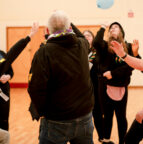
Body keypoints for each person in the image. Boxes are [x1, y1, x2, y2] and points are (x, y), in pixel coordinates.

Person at [28, 10, 94, 144]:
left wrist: (42, 112)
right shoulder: (82, 45)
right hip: (84, 117)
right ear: (70, 28)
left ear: (47, 30)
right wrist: (68, 24)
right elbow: (81, 36)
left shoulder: (43, 52)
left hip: (55, 120)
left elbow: (35, 88)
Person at [92, 22, 139, 144]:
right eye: (111, 28)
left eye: (116, 27)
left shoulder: (128, 46)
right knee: (107, 116)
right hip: (104, 86)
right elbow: (96, 42)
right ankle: (106, 140)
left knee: (121, 117)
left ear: (121, 32)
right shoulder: (104, 46)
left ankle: (122, 141)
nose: (113, 29)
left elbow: (133, 66)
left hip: (121, 86)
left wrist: (135, 53)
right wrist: (103, 27)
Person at [83, 30, 104, 142]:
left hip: (96, 86)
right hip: (82, 89)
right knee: (84, 116)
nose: (86, 37)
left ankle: (101, 136)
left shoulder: (98, 52)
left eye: (89, 35)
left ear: (93, 38)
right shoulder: (79, 51)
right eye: (84, 36)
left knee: (97, 114)